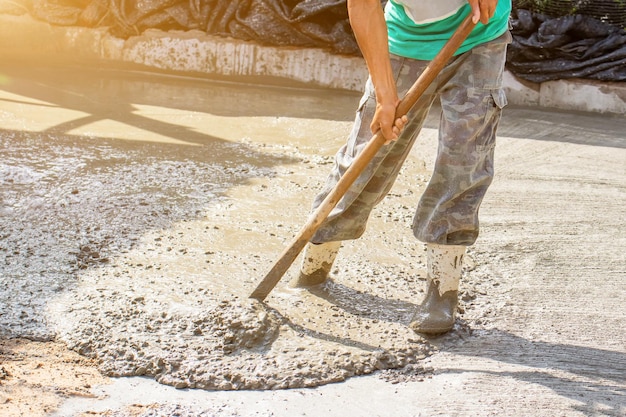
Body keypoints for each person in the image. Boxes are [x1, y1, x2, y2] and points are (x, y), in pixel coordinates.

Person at [292, 0, 512, 335]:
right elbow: (363, 6)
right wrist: (384, 96)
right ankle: (316, 261)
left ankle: (443, 289)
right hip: (406, 39)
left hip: (479, 35)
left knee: (463, 159)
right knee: (369, 155)